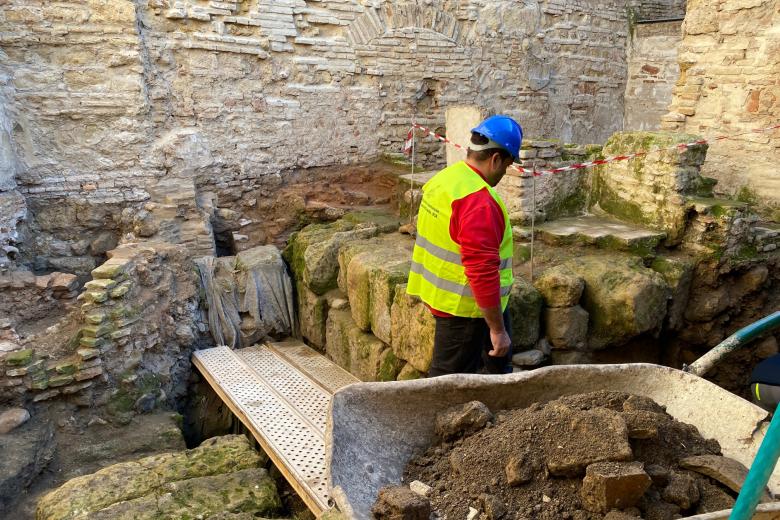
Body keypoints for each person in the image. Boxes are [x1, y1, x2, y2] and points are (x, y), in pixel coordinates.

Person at [406, 115, 522, 376]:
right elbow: (481, 270)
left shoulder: (445, 180)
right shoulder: (478, 202)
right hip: (467, 309)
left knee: (493, 369)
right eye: (507, 166)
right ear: (496, 159)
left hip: (451, 300)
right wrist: (497, 330)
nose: (505, 173)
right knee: (449, 384)